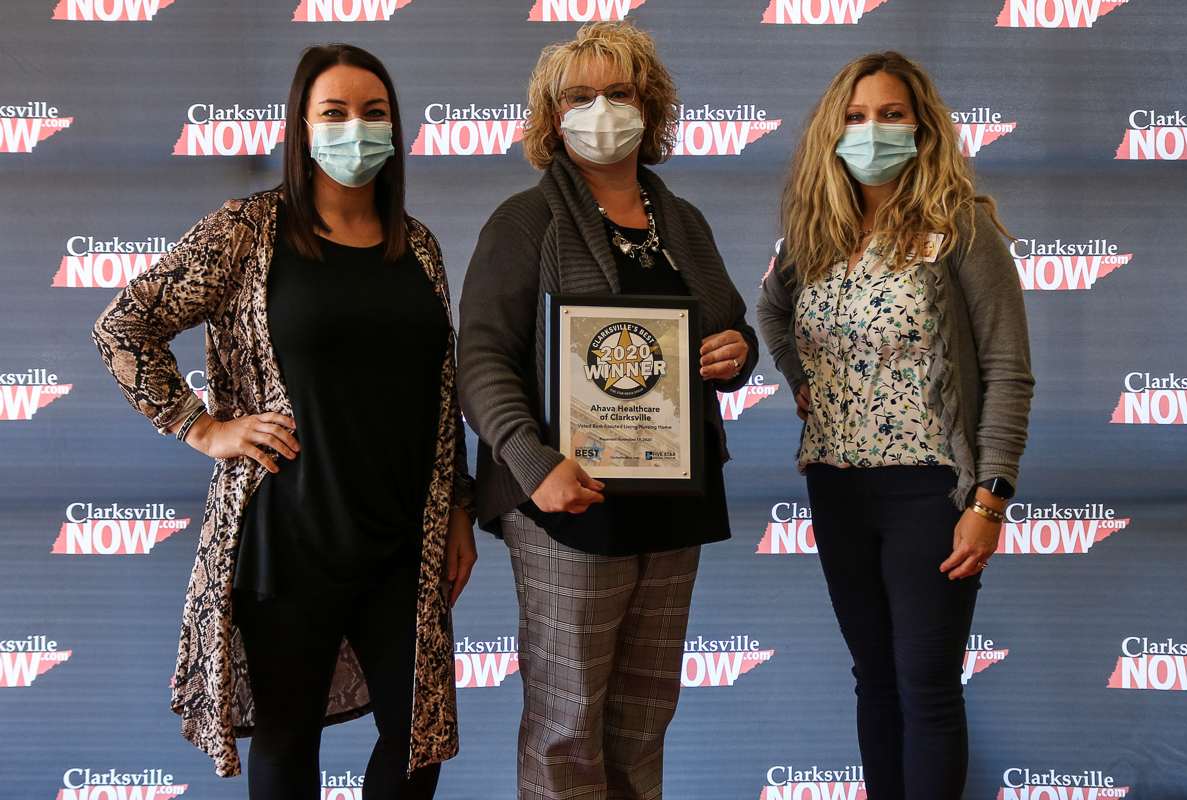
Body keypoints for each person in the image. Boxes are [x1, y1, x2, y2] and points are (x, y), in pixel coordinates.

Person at [93, 44, 476, 800]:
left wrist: (459, 505)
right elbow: (123, 326)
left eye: (373, 113)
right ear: (301, 127)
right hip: (289, 534)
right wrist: (204, 428)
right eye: (334, 113)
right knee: (287, 735)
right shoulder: (247, 230)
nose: (355, 128)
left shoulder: (419, 246)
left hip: (403, 536)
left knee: (418, 738)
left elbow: (441, 390)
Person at [457, 21, 758, 800]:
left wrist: (739, 353)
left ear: (647, 107)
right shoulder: (525, 222)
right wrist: (534, 465)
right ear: (552, 117)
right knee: (567, 730)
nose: (601, 109)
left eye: (619, 93)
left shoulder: (682, 221)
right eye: (579, 96)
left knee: (642, 723)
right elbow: (481, 362)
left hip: (673, 498)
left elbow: (727, 328)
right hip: (568, 503)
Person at [757, 52, 1034, 800]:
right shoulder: (814, 234)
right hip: (836, 487)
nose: (871, 130)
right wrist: (802, 378)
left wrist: (989, 500)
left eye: (890, 114)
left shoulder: (961, 228)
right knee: (874, 678)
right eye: (854, 116)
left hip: (932, 493)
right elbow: (773, 312)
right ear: (832, 130)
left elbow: (1008, 371)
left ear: (921, 127)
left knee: (926, 685)